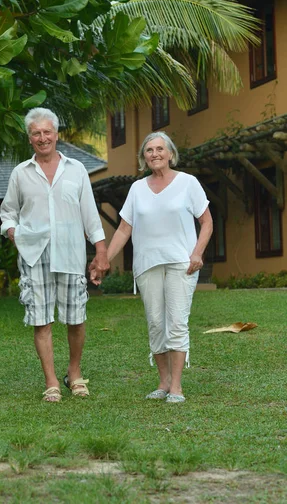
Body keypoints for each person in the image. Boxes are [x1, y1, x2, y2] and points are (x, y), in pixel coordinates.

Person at [92, 132, 213, 404]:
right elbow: (124, 229)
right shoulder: (137, 189)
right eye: (149, 150)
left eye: (160, 149)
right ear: (143, 158)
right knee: (156, 324)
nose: (155, 154)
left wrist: (197, 253)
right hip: (147, 264)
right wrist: (104, 260)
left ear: (170, 154)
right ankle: (163, 382)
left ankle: (177, 387)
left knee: (176, 322)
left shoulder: (188, 183)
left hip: (181, 262)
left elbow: (207, 222)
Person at [0, 108, 109, 402]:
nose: (42, 137)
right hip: (34, 254)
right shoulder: (20, 173)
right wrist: (12, 231)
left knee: (75, 317)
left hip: (71, 253)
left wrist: (101, 251)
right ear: (30, 138)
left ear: (57, 135)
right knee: (41, 319)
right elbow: (8, 211)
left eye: (47, 132)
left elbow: (90, 215)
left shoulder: (76, 170)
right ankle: (51, 382)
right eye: (36, 133)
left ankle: (74, 373)